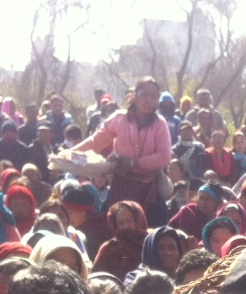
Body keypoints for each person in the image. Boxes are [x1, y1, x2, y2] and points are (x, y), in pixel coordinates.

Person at [68, 77, 173, 223]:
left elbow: (164, 156)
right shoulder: (120, 118)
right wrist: (69, 155)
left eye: (153, 96)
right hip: (121, 185)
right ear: (135, 96)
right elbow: (96, 142)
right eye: (144, 94)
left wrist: (134, 163)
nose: (148, 100)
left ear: (157, 100)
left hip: (150, 190)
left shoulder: (159, 123)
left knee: (152, 231)